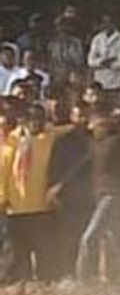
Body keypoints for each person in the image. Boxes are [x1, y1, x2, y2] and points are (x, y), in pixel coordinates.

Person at [0, 103, 70, 282]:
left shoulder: (48, 138)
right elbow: (3, 171)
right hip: (15, 205)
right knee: (16, 249)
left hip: (40, 204)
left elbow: (69, 129)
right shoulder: (12, 141)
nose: (36, 123)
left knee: (42, 248)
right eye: (32, 119)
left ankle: (44, 280)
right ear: (25, 121)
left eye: (40, 119)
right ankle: (19, 282)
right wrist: (2, 198)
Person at [77, 103, 120, 285]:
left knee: (89, 237)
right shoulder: (95, 143)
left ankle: (83, 279)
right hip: (100, 194)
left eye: (96, 124)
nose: (93, 127)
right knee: (116, 237)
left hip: (113, 194)